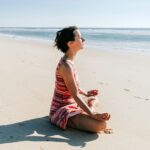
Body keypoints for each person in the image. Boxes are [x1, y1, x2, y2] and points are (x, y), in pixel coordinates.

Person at [49, 26, 111, 133]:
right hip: (62, 110)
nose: (83, 40)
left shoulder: (70, 62)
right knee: (101, 125)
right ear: (70, 43)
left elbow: (74, 88)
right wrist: (93, 114)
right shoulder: (66, 66)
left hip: (73, 103)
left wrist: (86, 93)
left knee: (94, 99)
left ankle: (87, 112)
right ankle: (88, 114)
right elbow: (75, 94)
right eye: (80, 37)